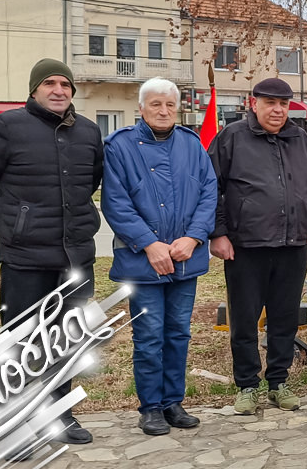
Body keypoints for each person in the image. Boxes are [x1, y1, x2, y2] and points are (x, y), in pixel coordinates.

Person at [0, 58, 103, 444]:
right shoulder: (7, 127)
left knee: (68, 341)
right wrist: (12, 223)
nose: (59, 90)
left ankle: (62, 415)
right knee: (21, 344)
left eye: (65, 85)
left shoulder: (88, 132)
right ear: (34, 89)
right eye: (50, 83)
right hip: (25, 261)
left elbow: (90, 181)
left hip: (75, 259)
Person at [102, 78, 217, 434]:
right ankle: (150, 406)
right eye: (155, 104)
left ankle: (173, 402)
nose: (163, 111)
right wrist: (150, 244)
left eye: (169, 104)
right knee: (149, 336)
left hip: (185, 258)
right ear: (141, 108)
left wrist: (194, 237)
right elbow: (116, 203)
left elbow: (209, 194)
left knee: (179, 333)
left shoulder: (191, 144)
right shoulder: (119, 147)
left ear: (178, 107)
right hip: (142, 262)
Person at [208, 77, 307, 415]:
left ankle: (278, 382)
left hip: (292, 245)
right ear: (252, 102)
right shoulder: (231, 138)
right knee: (244, 319)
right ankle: (246, 385)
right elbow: (210, 188)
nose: (277, 110)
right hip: (246, 246)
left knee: (284, 318)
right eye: (270, 103)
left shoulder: (300, 139)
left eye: (283, 104)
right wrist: (218, 232)